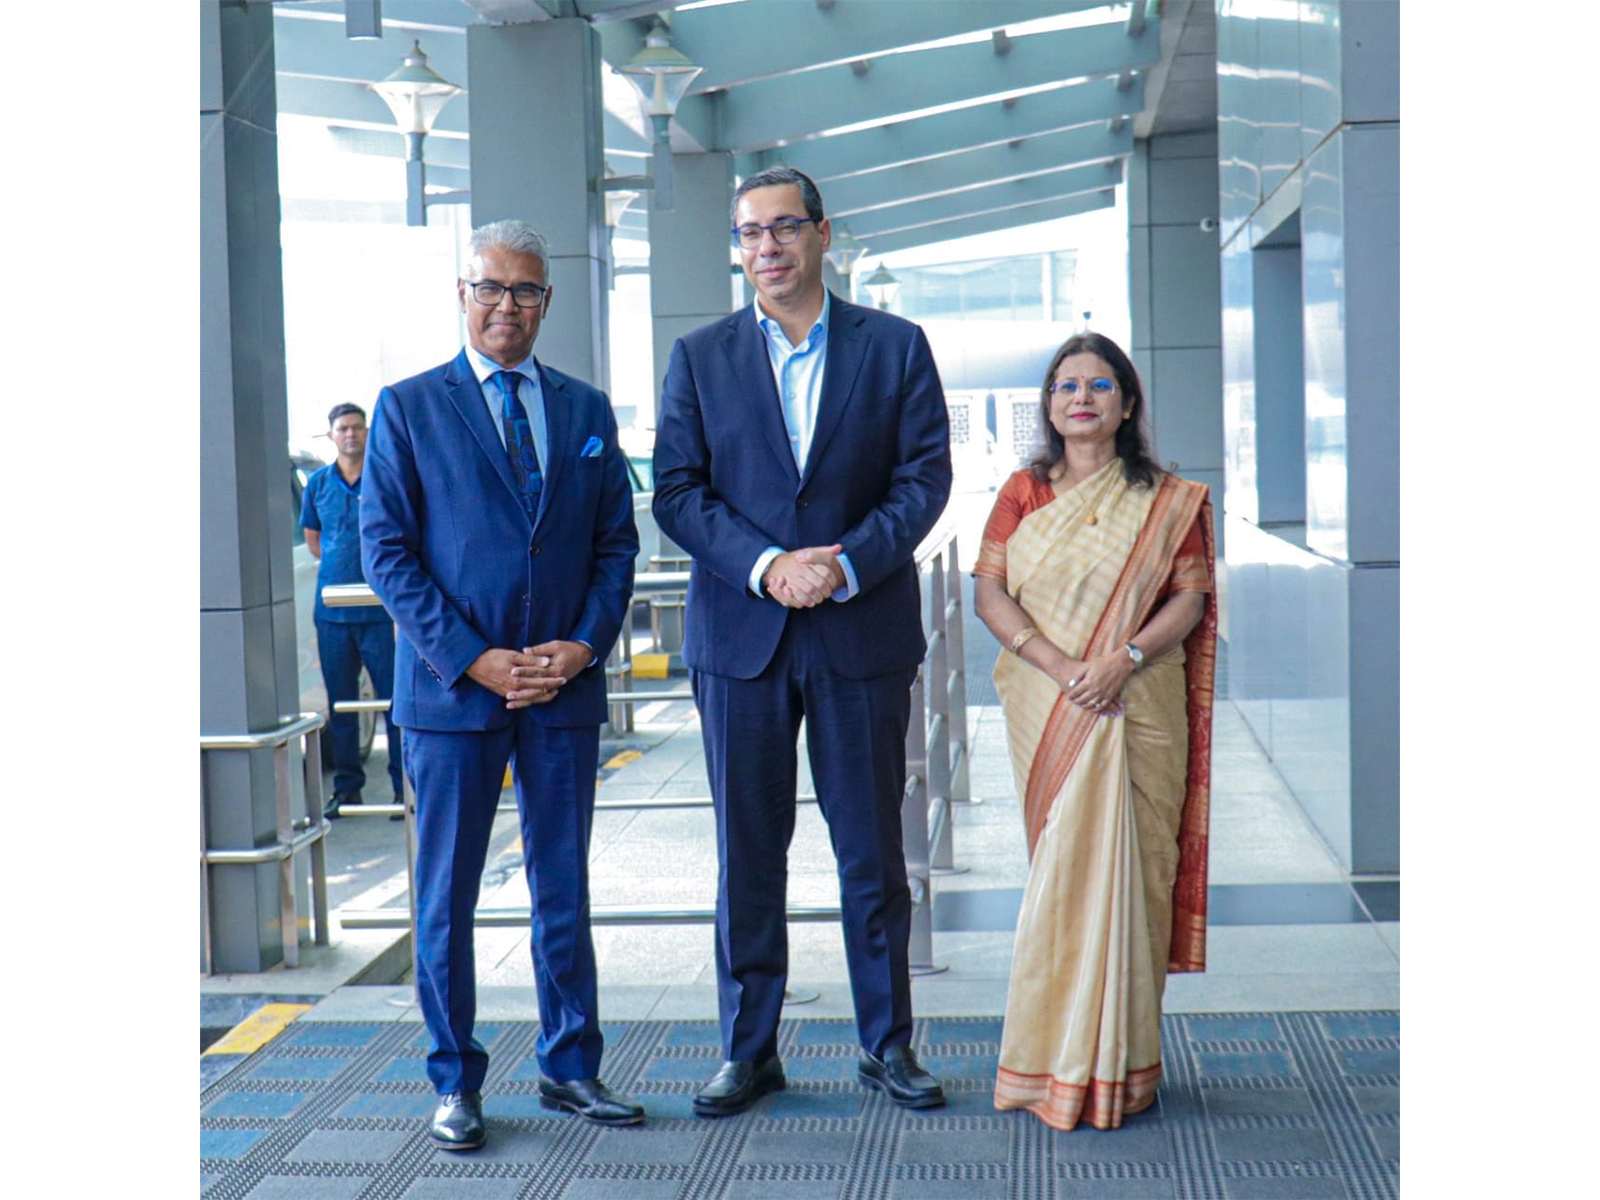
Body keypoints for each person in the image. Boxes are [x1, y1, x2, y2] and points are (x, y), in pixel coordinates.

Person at [653, 166, 953, 1117]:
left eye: (785, 228)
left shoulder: (895, 347)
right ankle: (750, 1050)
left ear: (825, 234)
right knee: (749, 854)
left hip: (860, 633)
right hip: (741, 638)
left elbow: (925, 479)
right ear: (738, 247)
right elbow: (677, 491)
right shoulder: (698, 357)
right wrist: (769, 564)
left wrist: (846, 563)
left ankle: (886, 1046)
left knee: (870, 851)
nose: (768, 247)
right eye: (750, 233)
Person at [361, 219, 643, 1151]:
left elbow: (615, 547)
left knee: (562, 886)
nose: (506, 307)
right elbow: (388, 555)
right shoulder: (407, 407)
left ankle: (571, 1067)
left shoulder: (587, 410)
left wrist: (584, 647)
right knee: (446, 895)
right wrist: (475, 658)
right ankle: (454, 1081)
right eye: (490, 288)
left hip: (561, 689)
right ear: (462, 293)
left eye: (525, 292)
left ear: (547, 303)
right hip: (452, 698)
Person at [973, 332, 1216, 1132]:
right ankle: (1048, 1062)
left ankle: (1122, 1068)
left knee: (1134, 875)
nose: (1082, 397)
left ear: (1128, 402)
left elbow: (1188, 597)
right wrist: (1059, 663)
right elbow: (991, 592)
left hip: (1138, 698)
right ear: (1047, 405)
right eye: (1066, 385)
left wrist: (1124, 657)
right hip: (1050, 701)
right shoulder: (1022, 492)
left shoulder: (1167, 498)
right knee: (1062, 874)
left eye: (1100, 384)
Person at [300, 403, 405, 820]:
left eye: (357, 427)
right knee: (341, 706)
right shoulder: (319, 484)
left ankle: (403, 789)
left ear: (367, 432)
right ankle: (348, 790)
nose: (350, 434)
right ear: (331, 435)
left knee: (394, 703)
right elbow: (313, 537)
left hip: (380, 611)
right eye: (342, 428)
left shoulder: (385, 479)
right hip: (333, 614)